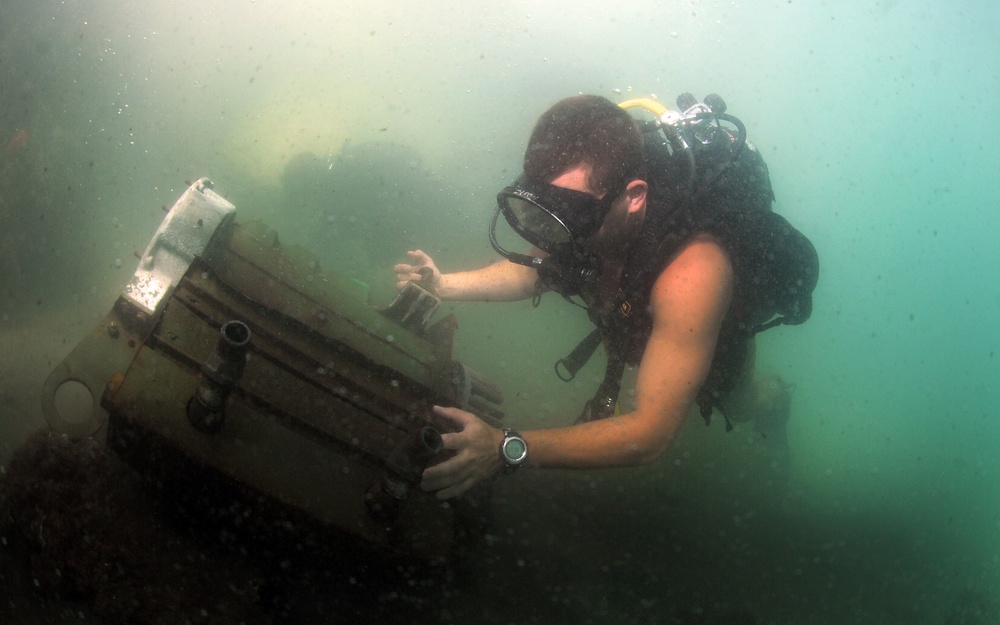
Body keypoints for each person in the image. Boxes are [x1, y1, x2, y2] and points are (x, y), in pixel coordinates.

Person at [393, 94, 817, 500]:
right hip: (634, 316)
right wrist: (444, 283)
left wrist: (504, 446)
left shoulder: (694, 274)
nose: (551, 232)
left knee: (740, 402)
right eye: (542, 208)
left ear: (633, 197)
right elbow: (530, 274)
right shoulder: (584, 211)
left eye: (566, 213)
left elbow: (650, 434)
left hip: (709, 335)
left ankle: (774, 398)